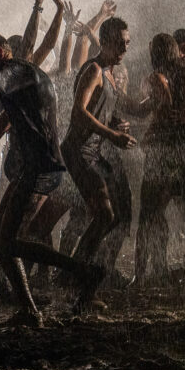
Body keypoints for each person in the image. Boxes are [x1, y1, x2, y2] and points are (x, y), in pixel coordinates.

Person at [0, 31, 106, 326]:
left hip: (42, 167)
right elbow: (7, 118)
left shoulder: (11, 69)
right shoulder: (20, 75)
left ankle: (81, 271)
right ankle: (29, 309)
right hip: (33, 166)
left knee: (9, 240)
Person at [60, 18, 137, 267]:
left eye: (127, 43)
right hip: (77, 150)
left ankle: (86, 268)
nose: (124, 48)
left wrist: (115, 122)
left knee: (117, 211)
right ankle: (75, 272)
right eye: (118, 43)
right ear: (103, 43)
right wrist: (112, 134)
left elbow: (107, 109)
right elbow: (79, 112)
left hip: (92, 152)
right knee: (104, 215)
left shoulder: (111, 73)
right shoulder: (94, 69)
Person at [134, 33, 185, 284]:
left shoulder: (156, 78)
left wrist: (123, 101)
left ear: (155, 53)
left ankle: (143, 274)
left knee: (149, 214)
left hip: (163, 152)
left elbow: (158, 110)